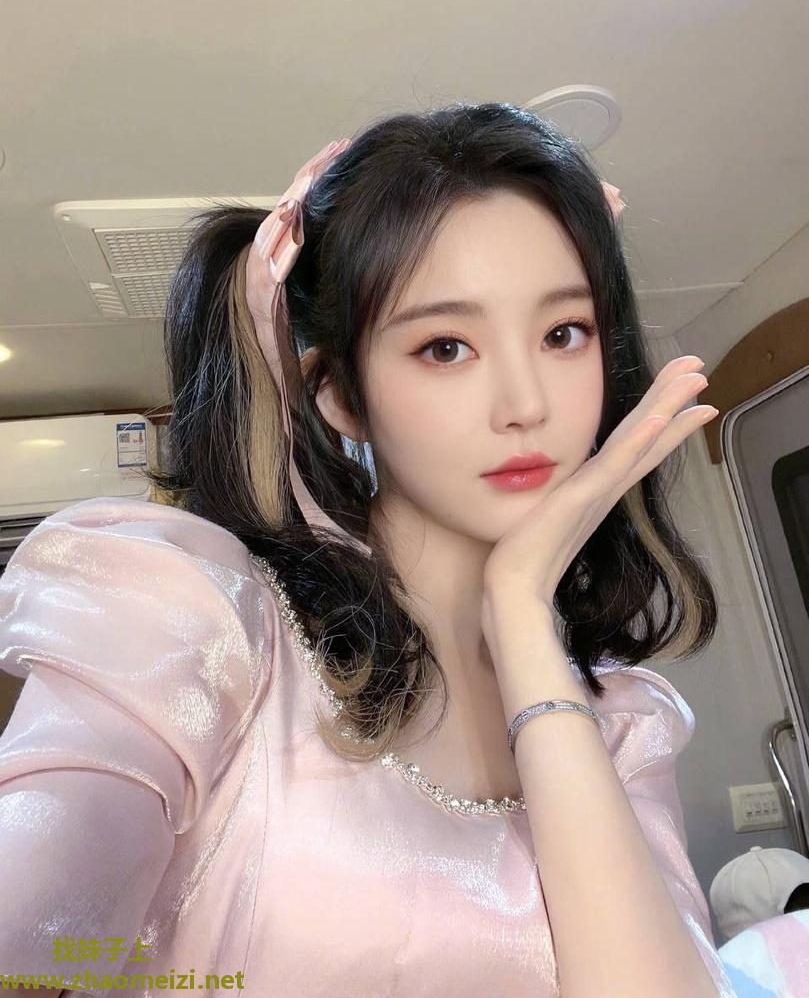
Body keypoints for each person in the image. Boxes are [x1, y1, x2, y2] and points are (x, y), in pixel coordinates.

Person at [0, 102, 736, 996]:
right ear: (340, 396)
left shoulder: (622, 724)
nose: (526, 404)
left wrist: (520, 615)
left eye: (561, 334)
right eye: (445, 346)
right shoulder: (194, 620)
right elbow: (28, 951)